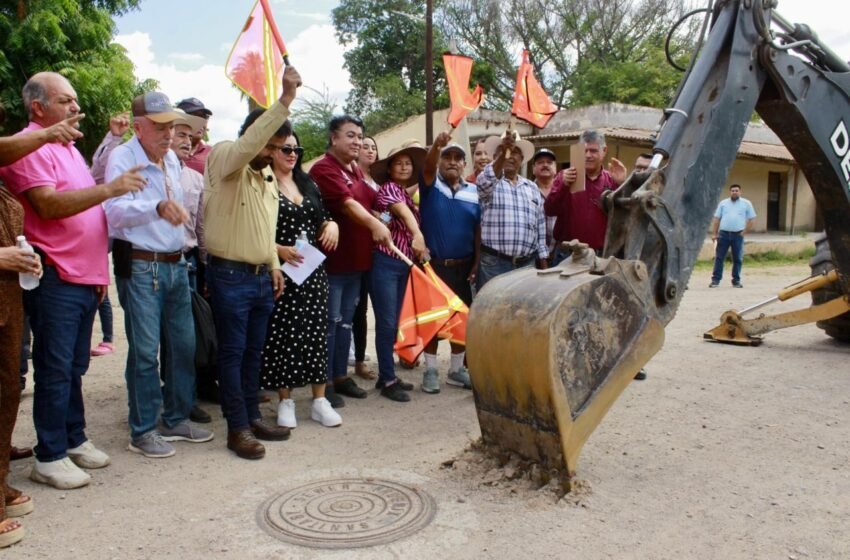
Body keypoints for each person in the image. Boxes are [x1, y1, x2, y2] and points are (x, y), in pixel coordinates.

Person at [0, 72, 146, 489]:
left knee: (74, 367)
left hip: (83, 275)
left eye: (75, 100)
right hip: (57, 276)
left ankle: (73, 437)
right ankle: (49, 455)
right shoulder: (31, 145)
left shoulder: (66, 147)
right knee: (55, 368)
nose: (76, 108)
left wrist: (97, 272)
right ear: (38, 107)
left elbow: (84, 216)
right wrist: (111, 189)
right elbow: (47, 206)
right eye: (65, 101)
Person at [104, 92, 214, 458]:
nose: (169, 134)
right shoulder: (122, 157)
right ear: (138, 127)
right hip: (140, 265)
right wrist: (155, 207)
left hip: (174, 263)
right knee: (146, 352)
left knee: (184, 345)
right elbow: (113, 212)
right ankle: (143, 429)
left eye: (172, 125)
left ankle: (176, 417)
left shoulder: (169, 160)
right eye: (161, 126)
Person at [203, 67, 301, 460]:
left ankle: (251, 414)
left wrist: (273, 265)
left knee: (253, 353)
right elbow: (249, 146)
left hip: (262, 278)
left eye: (279, 147)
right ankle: (237, 427)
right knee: (232, 351)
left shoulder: (266, 180)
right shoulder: (226, 156)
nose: (273, 153)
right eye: (270, 145)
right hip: (229, 276)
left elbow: (266, 229)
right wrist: (285, 100)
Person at [260, 131, 342, 428]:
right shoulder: (263, 184)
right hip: (283, 272)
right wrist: (277, 250)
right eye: (285, 149)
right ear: (271, 152)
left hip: (313, 272)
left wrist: (331, 225)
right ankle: (286, 401)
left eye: (296, 149)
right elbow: (255, 228)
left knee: (317, 334)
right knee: (285, 336)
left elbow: (325, 216)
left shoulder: (308, 184)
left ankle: (320, 400)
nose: (292, 154)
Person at [310, 116, 392, 408]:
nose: (357, 141)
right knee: (329, 324)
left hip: (357, 264)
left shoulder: (356, 169)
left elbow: (376, 198)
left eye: (360, 136)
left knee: (345, 323)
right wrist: (376, 226)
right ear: (334, 138)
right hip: (333, 264)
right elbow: (349, 204)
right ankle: (325, 382)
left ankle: (341, 377)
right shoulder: (324, 169)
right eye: (350, 136)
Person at [418, 132, 480, 393]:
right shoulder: (431, 185)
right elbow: (428, 165)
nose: (452, 162)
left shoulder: (474, 192)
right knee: (433, 320)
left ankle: (456, 370)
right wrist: (436, 147)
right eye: (447, 157)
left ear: (465, 164)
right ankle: (430, 370)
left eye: (458, 158)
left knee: (460, 318)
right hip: (435, 266)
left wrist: (476, 262)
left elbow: (477, 229)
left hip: (464, 266)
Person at [369, 144, 429, 402]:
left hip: (402, 266)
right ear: (390, 169)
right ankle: (388, 379)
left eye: (408, 163)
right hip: (386, 263)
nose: (405, 166)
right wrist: (418, 235)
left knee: (394, 323)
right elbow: (403, 214)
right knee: (386, 323)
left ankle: (387, 373)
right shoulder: (390, 190)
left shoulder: (405, 193)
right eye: (399, 163)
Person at [476, 134, 549, 289]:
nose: (509, 155)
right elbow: (485, 181)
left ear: (521, 159)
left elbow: (540, 232)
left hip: (526, 265)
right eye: (503, 151)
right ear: (495, 157)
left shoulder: (532, 188)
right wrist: (505, 152)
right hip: (494, 265)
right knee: (492, 311)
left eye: (514, 152)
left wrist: (544, 269)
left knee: (521, 311)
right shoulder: (489, 183)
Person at [545, 130, 627, 264]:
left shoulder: (612, 180)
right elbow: (549, 210)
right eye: (584, 151)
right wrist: (563, 186)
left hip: (600, 256)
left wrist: (622, 184)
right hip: (567, 254)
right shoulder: (565, 177)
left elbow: (624, 216)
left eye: (593, 151)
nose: (588, 155)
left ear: (604, 151)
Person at [350, 135, 379, 381]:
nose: (369, 151)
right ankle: (346, 363)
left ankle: (360, 359)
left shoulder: (379, 181)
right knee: (354, 311)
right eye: (365, 147)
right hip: (355, 252)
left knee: (368, 311)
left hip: (376, 255)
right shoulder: (353, 178)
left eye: (373, 148)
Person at [710, 184, 756, 288]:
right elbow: (717, 219)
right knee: (719, 258)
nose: (734, 192)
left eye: (736, 191)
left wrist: (745, 232)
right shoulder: (723, 203)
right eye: (732, 191)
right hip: (723, 234)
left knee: (738, 259)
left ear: (740, 192)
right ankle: (715, 280)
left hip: (738, 235)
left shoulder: (746, 203)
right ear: (729, 192)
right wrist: (714, 234)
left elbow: (752, 219)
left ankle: (736, 280)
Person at [532, 148, 558, 258]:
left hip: (559, 252)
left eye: (549, 162)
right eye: (540, 162)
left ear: (555, 168)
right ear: (533, 169)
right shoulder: (527, 190)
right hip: (532, 255)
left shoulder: (563, 190)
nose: (545, 165)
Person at [175, 97, 213, 174]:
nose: (201, 122)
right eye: (194, 116)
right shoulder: (162, 150)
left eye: (204, 117)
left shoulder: (213, 154)